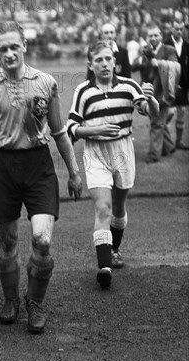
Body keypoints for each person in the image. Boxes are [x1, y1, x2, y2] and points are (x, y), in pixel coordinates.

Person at [0, 21, 83, 334]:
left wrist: (74, 172)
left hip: (38, 166)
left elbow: (60, 132)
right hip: (1, 167)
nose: (9, 53)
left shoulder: (45, 82)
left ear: (24, 47)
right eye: (2, 48)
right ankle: (11, 300)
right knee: (7, 243)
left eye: (14, 47)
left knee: (42, 240)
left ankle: (35, 301)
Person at [68, 40, 159, 288]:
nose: (105, 64)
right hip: (95, 153)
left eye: (108, 59)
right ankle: (104, 266)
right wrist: (95, 130)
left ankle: (114, 249)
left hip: (123, 151)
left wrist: (150, 100)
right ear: (90, 64)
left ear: (114, 61)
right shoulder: (83, 92)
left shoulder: (129, 86)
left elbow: (149, 111)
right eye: (99, 60)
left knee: (118, 206)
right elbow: (71, 129)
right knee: (103, 208)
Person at [134, 24, 180, 163]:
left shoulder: (169, 49)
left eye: (156, 35)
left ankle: (153, 155)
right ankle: (169, 147)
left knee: (156, 124)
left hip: (163, 93)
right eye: (150, 36)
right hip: (149, 92)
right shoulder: (146, 51)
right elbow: (144, 72)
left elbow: (174, 66)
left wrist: (157, 62)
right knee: (159, 122)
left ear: (161, 36)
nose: (153, 38)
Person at [164, 19, 189, 150]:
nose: (179, 31)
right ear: (171, 29)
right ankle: (162, 131)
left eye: (181, 29)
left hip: (184, 83)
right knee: (170, 112)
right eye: (176, 29)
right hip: (170, 83)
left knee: (182, 112)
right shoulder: (166, 44)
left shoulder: (186, 45)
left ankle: (179, 141)